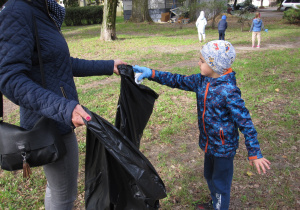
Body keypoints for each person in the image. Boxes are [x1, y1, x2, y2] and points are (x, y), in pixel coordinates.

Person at [0, 0, 126, 209]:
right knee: (64, 195)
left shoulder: (43, 11)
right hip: (48, 123)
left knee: (58, 190)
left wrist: (108, 65)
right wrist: (64, 109)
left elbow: (61, 62)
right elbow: (9, 79)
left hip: (57, 118)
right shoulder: (17, 11)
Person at [133, 40, 271, 210]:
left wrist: (255, 152)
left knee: (221, 184)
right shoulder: (202, 80)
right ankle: (215, 204)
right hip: (209, 144)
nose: (198, 62)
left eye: (202, 60)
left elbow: (245, 122)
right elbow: (177, 80)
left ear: (215, 65)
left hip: (224, 149)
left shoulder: (229, 91)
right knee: (209, 176)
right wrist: (152, 73)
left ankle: (220, 205)